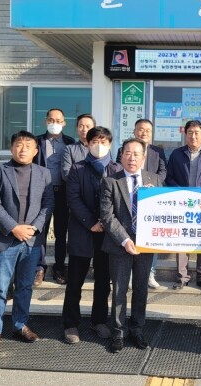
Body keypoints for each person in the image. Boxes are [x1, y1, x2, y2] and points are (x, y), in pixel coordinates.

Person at [0, 130, 54, 354]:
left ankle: (20, 325)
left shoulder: (44, 173)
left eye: (28, 146)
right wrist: (14, 228)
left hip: (31, 240)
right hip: (5, 239)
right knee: (0, 287)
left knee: (24, 286)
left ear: (36, 151)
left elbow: (48, 204)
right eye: (19, 145)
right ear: (11, 148)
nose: (23, 149)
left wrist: (34, 228)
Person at [100, 138, 163, 353]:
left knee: (141, 288)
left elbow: (165, 210)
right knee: (119, 290)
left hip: (145, 245)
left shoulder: (154, 179)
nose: (132, 157)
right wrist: (125, 240)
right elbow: (107, 216)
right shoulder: (110, 181)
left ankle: (137, 329)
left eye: (136, 154)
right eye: (127, 153)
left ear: (144, 158)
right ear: (121, 156)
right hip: (119, 244)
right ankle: (118, 332)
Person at [62, 127, 122, 344]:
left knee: (103, 281)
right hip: (82, 231)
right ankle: (70, 324)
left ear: (110, 144)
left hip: (107, 234)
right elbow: (73, 199)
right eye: (95, 141)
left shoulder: (117, 169)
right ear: (87, 144)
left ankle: (99, 320)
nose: (99, 145)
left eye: (104, 141)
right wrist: (91, 223)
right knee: (75, 280)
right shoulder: (77, 169)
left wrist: (107, 223)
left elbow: (121, 199)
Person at [165, 120, 201, 291]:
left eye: (197, 133)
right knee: (182, 239)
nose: (193, 136)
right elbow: (169, 177)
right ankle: (182, 276)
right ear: (185, 135)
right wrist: (180, 191)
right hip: (183, 203)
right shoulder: (176, 154)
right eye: (190, 132)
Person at [116, 118, 167, 289]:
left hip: (150, 199)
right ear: (134, 131)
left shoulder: (158, 151)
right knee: (129, 236)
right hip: (128, 198)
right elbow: (119, 169)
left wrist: (152, 183)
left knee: (151, 237)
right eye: (140, 129)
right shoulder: (124, 149)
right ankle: (129, 274)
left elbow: (163, 171)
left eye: (148, 130)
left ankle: (150, 273)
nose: (144, 133)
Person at [33, 108, 75, 286]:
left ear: (64, 123)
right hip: (42, 193)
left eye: (58, 121)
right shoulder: (37, 141)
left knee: (61, 232)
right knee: (40, 231)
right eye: (51, 120)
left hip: (63, 193)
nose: (54, 123)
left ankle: (59, 267)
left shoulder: (70, 142)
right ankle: (39, 268)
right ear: (46, 121)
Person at [62, 113, 96, 181]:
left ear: (94, 129)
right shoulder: (69, 149)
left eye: (88, 126)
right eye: (81, 126)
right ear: (77, 128)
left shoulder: (100, 148)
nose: (84, 129)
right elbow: (66, 174)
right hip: (76, 187)